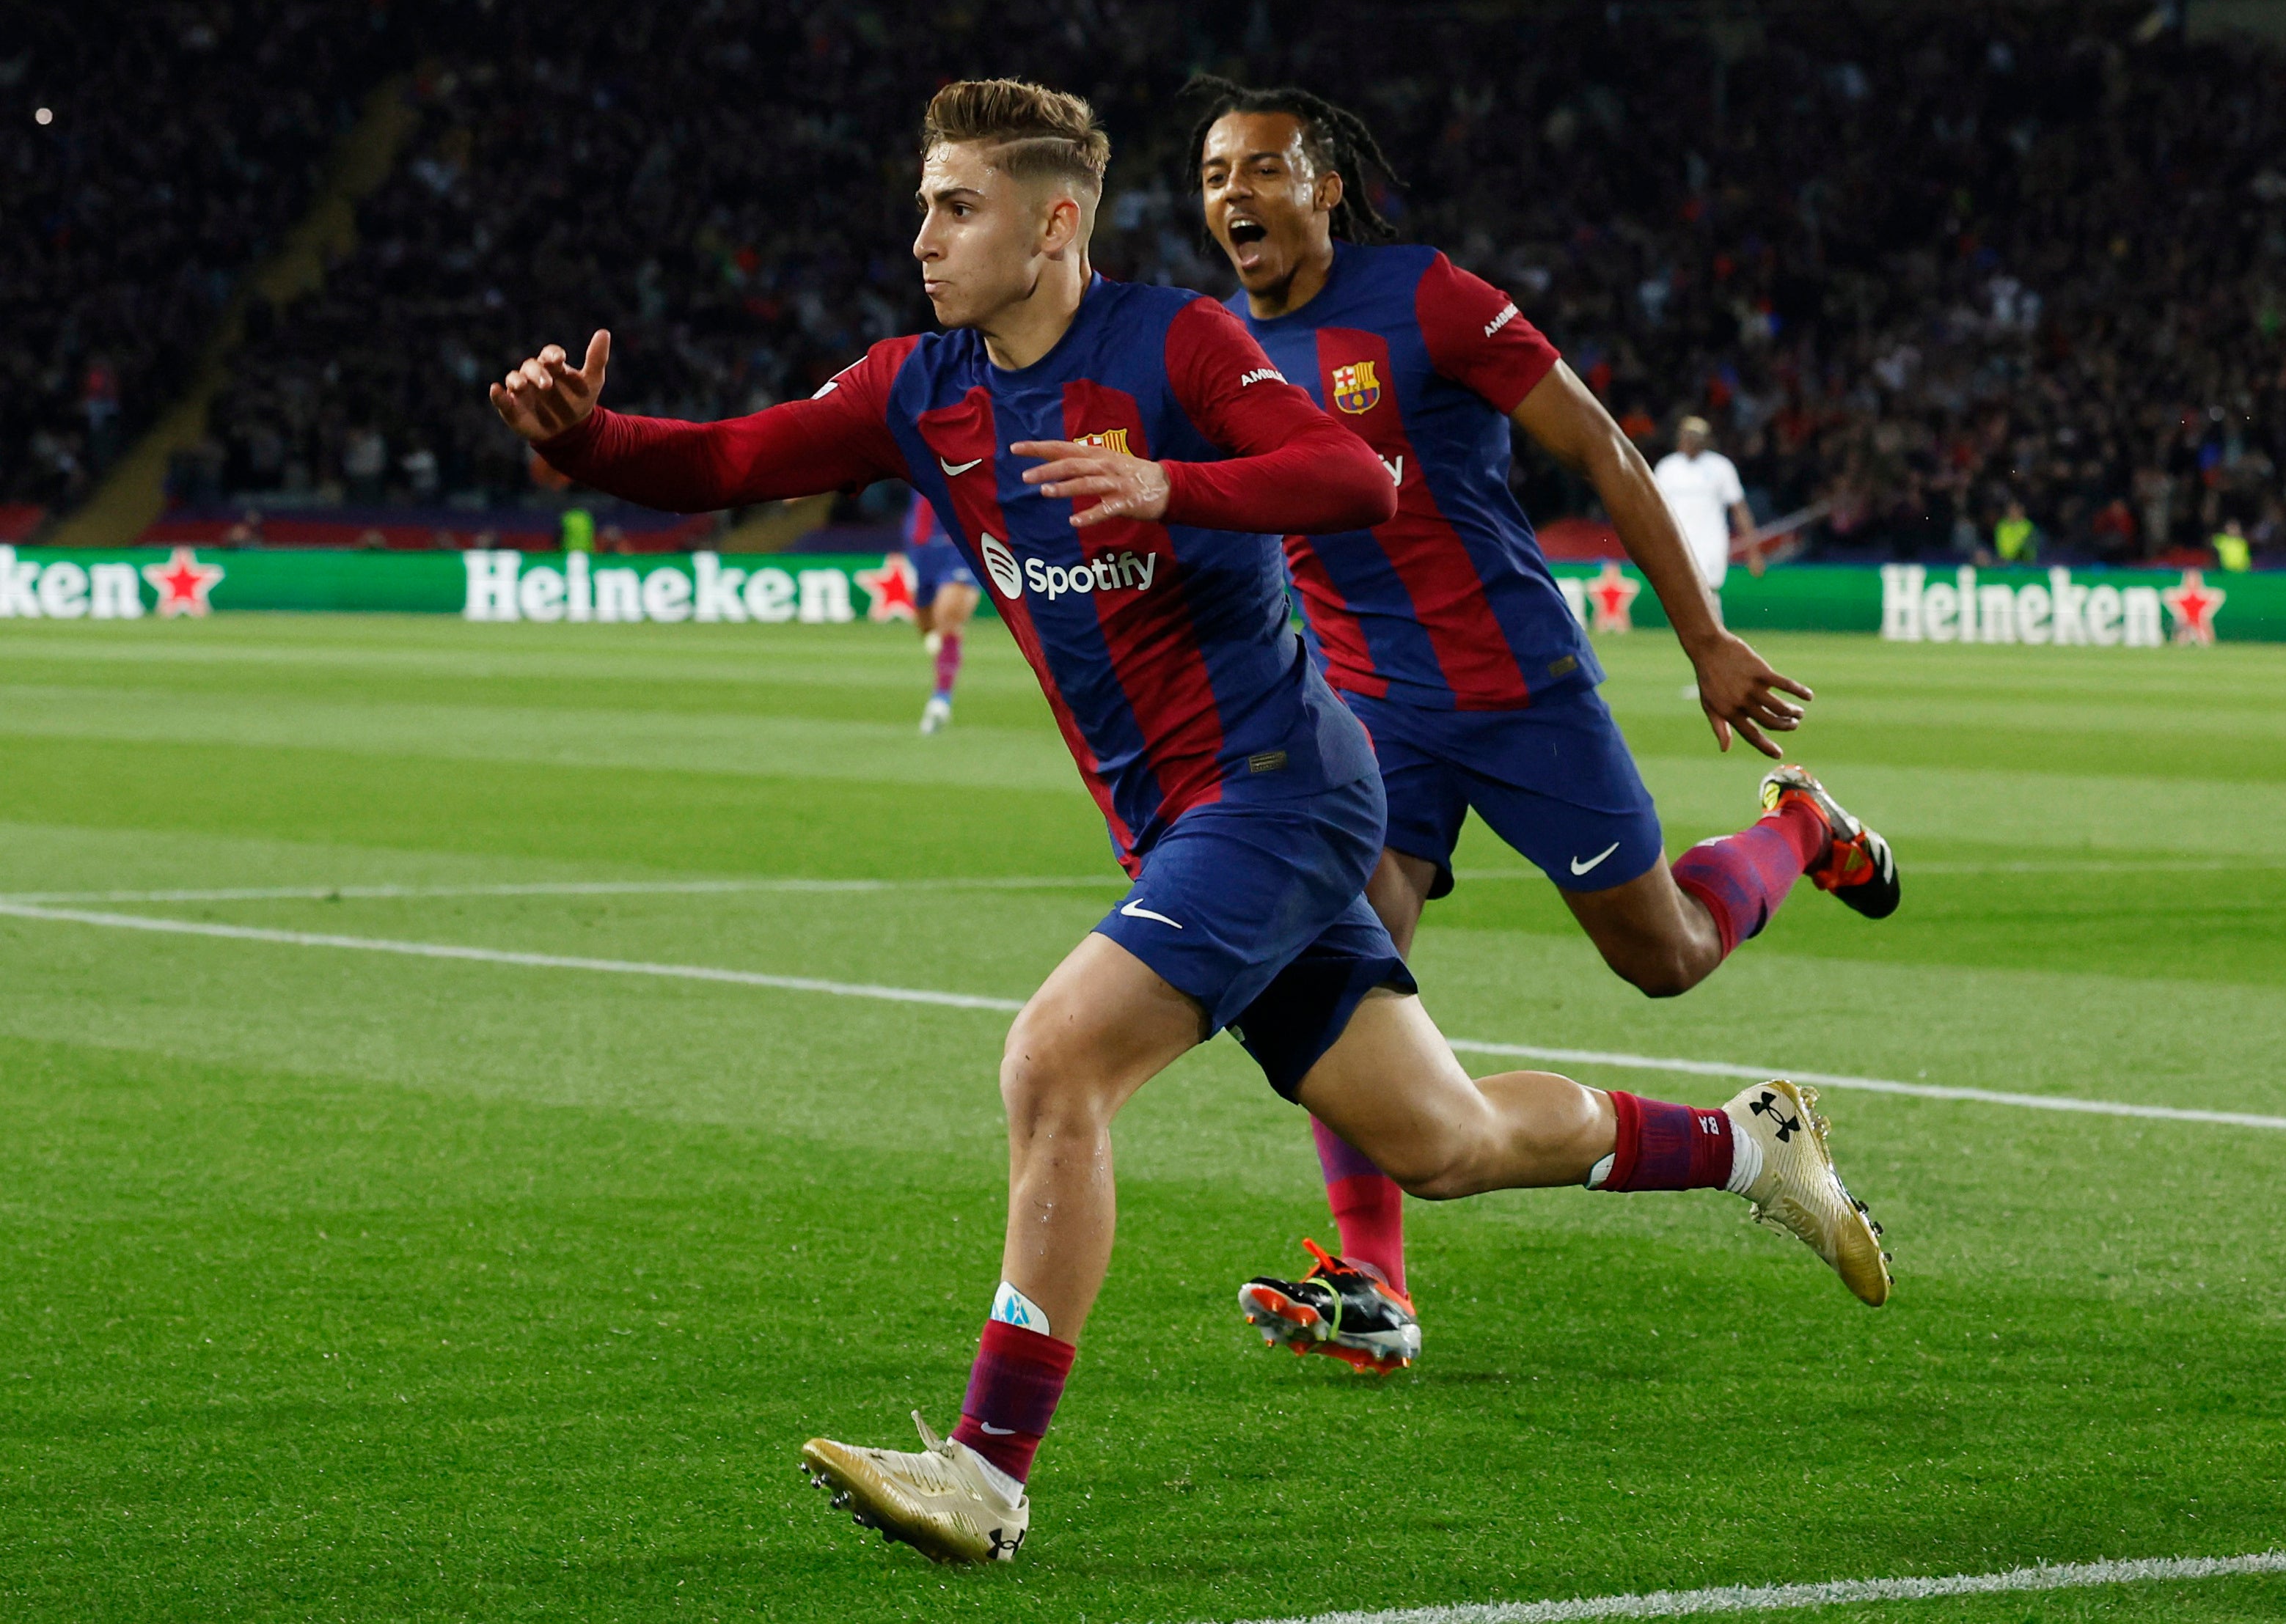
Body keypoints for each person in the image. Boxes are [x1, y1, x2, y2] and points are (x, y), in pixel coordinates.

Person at [491, 78, 1888, 1568]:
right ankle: (1751, 1145)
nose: (922, 237)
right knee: (1447, 1139)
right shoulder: (917, 387)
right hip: (1185, 822)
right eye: (921, 206)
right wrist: (585, 443)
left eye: (954, 207)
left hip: (1280, 787)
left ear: (1051, 220)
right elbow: (718, 462)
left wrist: (1170, 481)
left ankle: (985, 1465)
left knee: (1054, 1056)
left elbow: (1351, 475)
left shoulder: (1174, 344)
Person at [1190, 78, 1900, 1371]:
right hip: (1370, 717)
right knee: (1341, 966)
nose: (1235, 193)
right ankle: (1373, 1285)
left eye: (1263, 168)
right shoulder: (1211, 353)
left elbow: (1603, 450)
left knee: (1664, 956)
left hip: (1519, 690)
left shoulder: (1430, 299)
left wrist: (1701, 638)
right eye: (1215, 174)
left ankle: (1801, 826)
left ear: (1325, 187)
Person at [1652, 416, 1758, 613]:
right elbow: (1655, 511)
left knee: (1709, 590)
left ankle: (1713, 637)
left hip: (1711, 541)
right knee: (1683, 594)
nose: (1692, 440)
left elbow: (1739, 510)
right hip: (1679, 542)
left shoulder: (1721, 467)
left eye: (1697, 436)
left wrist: (1753, 550)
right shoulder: (1667, 468)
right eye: (1689, 435)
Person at [903, 492, 980, 732]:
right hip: (922, 541)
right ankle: (945, 652)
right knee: (927, 625)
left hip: (963, 538)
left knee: (949, 617)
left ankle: (941, 699)